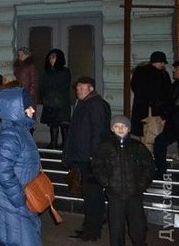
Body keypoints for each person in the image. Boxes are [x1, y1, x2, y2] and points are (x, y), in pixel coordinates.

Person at [0, 87, 42, 246]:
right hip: (10, 203)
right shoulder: (10, 133)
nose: (32, 111)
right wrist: (20, 198)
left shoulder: (19, 130)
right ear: (17, 109)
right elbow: (2, 170)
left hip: (14, 202)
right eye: (28, 107)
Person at [92, 115, 155, 246]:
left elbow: (148, 166)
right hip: (115, 194)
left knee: (138, 226)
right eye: (117, 126)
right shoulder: (105, 146)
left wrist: (141, 185)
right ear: (112, 128)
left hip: (134, 193)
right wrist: (106, 183)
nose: (120, 129)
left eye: (124, 126)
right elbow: (97, 166)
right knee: (116, 228)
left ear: (129, 129)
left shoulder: (138, 146)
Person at [62, 76, 111, 242]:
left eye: (82, 88)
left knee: (93, 195)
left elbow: (98, 132)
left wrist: (93, 155)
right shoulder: (85, 103)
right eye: (77, 88)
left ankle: (92, 230)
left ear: (91, 89)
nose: (78, 90)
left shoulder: (95, 104)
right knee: (90, 195)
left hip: (90, 158)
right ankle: (90, 227)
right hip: (84, 156)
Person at [130, 51, 172, 137]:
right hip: (145, 107)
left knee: (155, 132)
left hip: (157, 109)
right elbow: (136, 87)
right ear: (154, 62)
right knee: (146, 131)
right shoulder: (142, 72)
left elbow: (167, 91)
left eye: (163, 62)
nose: (163, 64)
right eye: (161, 62)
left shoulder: (164, 74)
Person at [40, 49, 72, 149]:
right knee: (53, 124)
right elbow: (43, 86)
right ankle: (53, 143)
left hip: (61, 102)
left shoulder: (65, 71)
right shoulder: (47, 72)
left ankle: (65, 144)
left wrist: (52, 93)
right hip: (50, 102)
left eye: (53, 58)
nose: (51, 60)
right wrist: (45, 97)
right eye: (50, 58)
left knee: (63, 124)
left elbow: (64, 86)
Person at [153, 60, 179, 178]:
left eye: (177, 69)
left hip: (175, 123)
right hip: (174, 124)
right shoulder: (175, 85)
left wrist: (165, 111)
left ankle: (161, 170)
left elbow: (173, 104)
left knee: (160, 141)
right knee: (160, 141)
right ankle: (161, 170)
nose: (174, 71)